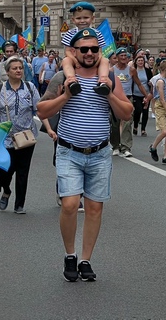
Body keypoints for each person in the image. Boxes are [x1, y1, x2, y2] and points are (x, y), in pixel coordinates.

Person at [36, 28, 133, 282]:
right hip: (69, 152)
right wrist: (66, 96)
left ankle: (86, 259)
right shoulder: (62, 77)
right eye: (84, 49)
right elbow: (42, 110)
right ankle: (70, 254)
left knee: (94, 209)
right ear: (74, 52)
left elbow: (126, 112)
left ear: (99, 52)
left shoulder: (109, 75)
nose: (89, 53)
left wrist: (109, 92)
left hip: (100, 153)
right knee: (69, 205)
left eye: (93, 49)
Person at [0, 56, 41, 214]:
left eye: (20, 68)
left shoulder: (30, 88)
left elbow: (39, 109)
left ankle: (19, 204)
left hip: (26, 137)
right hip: (6, 138)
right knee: (6, 170)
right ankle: (6, 190)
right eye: (15, 68)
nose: (18, 70)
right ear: (7, 72)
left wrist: (49, 128)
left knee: (23, 171)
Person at [60, 2, 110, 96]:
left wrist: (96, 62)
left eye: (86, 18)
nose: (82, 21)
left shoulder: (97, 33)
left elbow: (99, 51)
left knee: (105, 60)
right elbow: (67, 51)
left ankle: (103, 82)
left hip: (93, 59)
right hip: (74, 59)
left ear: (92, 19)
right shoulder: (70, 33)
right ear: (73, 20)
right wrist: (75, 61)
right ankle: (72, 81)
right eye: (79, 18)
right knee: (66, 60)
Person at [110, 47, 152, 157]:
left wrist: (146, 96)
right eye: (121, 56)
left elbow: (138, 84)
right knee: (115, 123)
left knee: (128, 122)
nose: (124, 58)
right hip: (115, 99)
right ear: (117, 57)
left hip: (127, 98)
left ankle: (126, 147)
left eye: (125, 56)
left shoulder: (131, 70)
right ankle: (115, 146)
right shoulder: (112, 70)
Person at [149, 60, 166, 164]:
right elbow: (162, 99)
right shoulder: (160, 81)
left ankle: (165, 155)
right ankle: (153, 146)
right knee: (164, 131)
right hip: (161, 106)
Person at [131, 55, 152, 137]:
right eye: (139, 60)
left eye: (142, 61)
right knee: (138, 110)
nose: (140, 62)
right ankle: (135, 126)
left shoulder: (147, 71)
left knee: (145, 112)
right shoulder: (133, 71)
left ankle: (143, 129)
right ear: (136, 62)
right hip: (136, 94)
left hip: (146, 94)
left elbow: (151, 81)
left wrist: (150, 93)